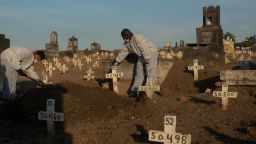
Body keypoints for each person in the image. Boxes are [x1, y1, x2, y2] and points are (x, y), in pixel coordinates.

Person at [113, 28, 158, 99]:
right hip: (141, 55)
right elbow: (123, 52)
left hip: (150, 53)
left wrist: (147, 60)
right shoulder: (127, 43)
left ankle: (148, 92)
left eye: (124, 37)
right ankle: (134, 91)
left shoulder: (138, 38)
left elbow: (145, 47)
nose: (124, 39)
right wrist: (117, 61)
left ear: (127, 34)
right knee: (139, 73)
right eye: (123, 38)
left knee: (150, 72)